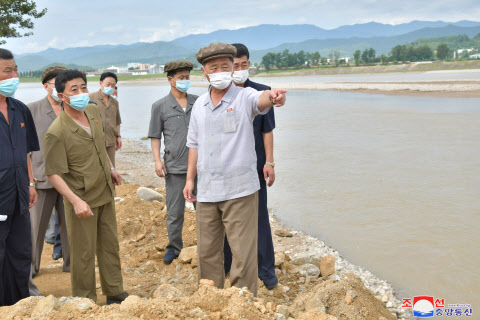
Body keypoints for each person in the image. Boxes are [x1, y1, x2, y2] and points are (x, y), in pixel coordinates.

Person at [184, 43, 287, 296]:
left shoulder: (244, 97)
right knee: (208, 251)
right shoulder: (199, 105)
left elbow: (262, 101)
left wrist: (273, 97)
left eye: (225, 66)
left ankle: (242, 301)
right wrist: (189, 179)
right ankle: (211, 297)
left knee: (243, 252)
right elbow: (194, 145)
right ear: (204, 71)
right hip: (207, 190)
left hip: (240, 190)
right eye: (214, 67)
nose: (220, 71)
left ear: (233, 68)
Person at [43, 69, 128, 304]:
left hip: (104, 191)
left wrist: (111, 168)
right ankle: (85, 299)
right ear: (62, 96)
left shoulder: (92, 111)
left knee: (109, 245)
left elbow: (100, 145)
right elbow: (53, 173)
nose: (81, 93)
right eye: (74, 90)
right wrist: (76, 201)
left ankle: (115, 290)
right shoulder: (56, 132)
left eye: (83, 87)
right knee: (83, 252)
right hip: (81, 198)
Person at [223, 43, 278, 290]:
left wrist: (269, 162)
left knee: (260, 218)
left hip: (255, 167)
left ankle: (266, 271)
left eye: (244, 64)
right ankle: (227, 267)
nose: (240, 69)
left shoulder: (262, 92)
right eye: (235, 65)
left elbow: (267, 131)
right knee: (228, 219)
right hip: (227, 168)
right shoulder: (220, 94)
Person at [0, 48, 40, 306]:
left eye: (15, 69)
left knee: (20, 251)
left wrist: (31, 183)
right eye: (7, 71)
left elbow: (25, 151)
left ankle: (19, 304)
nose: (15, 75)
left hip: (19, 194)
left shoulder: (20, 110)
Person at [148, 61, 198, 264]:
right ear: (170, 79)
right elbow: (155, 135)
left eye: (187, 77)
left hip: (200, 167)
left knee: (205, 210)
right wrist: (157, 160)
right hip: (175, 167)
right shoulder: (160, 106)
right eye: (181, 77)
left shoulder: (199, 102)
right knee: (175, 212)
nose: (185, 81)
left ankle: (208, 246)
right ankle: (174, 247)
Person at [27, 66, 71, 277]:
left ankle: (72, 266)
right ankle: (31, 268)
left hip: (70, 178)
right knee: (36, 228)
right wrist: (29, 181)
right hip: (41, 177)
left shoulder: (72, 108)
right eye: (56, 83)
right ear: (46, 86)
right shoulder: (31, 110)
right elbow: (24, 148)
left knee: (71, 228)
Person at [88, 72, 122, 166]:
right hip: (94, 141)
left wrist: (118, 136)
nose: (110, 87)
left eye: (113, 85)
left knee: (111, 168)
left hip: (111, 140)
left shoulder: (114, 102)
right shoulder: (90, 98)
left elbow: (117, 121)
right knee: (96, 167)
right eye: (108, 84)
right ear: (101, 83)